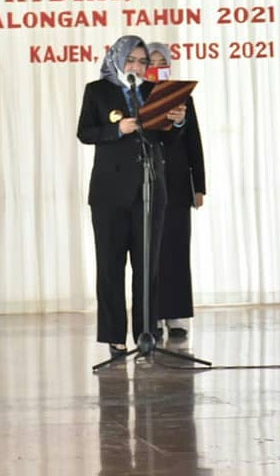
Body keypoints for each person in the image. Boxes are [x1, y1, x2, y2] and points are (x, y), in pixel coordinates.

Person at [77, 35, 186, 357]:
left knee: (147, 266)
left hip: (149, 190)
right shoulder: (97, 91)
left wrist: (178, 122)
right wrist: (116, 130)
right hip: (109, 194)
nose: (136, 67)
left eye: (142, 62)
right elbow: (85, 132)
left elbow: (167, 140)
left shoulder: (152, 92)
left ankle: (146, 334)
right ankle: (114, 337)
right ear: (117, 59)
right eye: (131, 60)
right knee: (110, 267)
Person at [146, 42, 206, 339]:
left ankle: (176, 315)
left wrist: (199, 186)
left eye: (162, 62)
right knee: (151, 252)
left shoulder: (182, 96)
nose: (157, 67)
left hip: (179, 185)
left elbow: (194, 142)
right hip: (148, 184)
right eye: (152, 62)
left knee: (177, 250)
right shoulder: (137, 97)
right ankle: (153, 316)